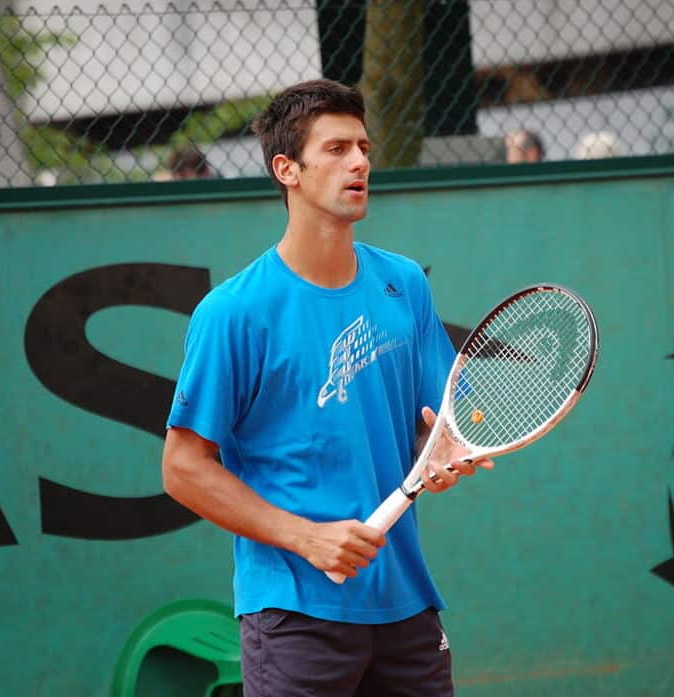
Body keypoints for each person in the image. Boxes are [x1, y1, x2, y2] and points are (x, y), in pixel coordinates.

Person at [161, 79, 492, 696]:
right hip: (294, 614)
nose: (360, 162)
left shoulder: (403, 285)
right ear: (287, 169)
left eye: (363, 147)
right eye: (337, 149)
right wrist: (306, 537)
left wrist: (443, 448)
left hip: (404, 602)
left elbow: (436, 420)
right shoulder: (234, 312)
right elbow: (183, 468)